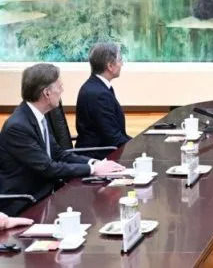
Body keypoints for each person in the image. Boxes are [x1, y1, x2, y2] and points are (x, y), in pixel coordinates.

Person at [0, 63, 125, 215]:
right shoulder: (18, 127)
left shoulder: (37, 116)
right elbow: (48, 168)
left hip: (47, 194)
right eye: (59, 87)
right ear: (46, 93)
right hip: (27, 203)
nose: (62, 91)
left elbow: (59, 153)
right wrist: (93, 170)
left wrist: (94, 163)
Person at [75, 42, 132, 157]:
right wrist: (140, 147)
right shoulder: (98, 94)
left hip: (105, 150)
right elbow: (113, 137)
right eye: (120, 60)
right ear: (110, 66)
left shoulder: (98, 87)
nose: (122, 64)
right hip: (100, 156)